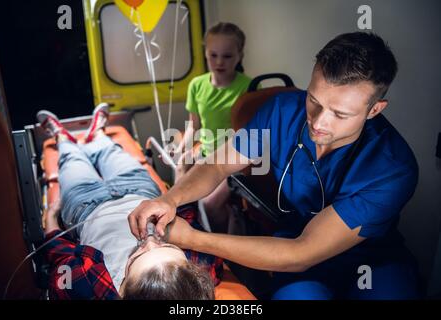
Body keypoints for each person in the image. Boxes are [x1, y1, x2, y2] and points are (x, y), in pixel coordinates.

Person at [128, 32, 422, 299]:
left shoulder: (393, 167)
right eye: (314, 100)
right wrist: (169, 199)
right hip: (295, 241)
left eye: (340, 114)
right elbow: (217, 166)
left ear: (374, 109)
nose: (318, 123)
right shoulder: (282, 110)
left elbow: (302, 253)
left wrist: (193, 239)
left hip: (372, 259)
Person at [37, 105, 222, 300]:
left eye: (139, 255)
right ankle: (98, 133)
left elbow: (60, 256)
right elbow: (188, 219)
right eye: (167, 246)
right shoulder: (199, 267)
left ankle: (61, 138)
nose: (148, 239)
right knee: (111, 152)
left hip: (86, 207)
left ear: (122, 290)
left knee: (71, 159)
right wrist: (177, 186)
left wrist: (50, 218)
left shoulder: (85, 287)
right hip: (140, 191)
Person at [172, 22, 252, 232]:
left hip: (235, 160)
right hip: (206, 154)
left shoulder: (248, 88)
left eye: (227, 56)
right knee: (179, 174)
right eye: (213, 55)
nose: (219, 62)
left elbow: (249, 137)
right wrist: (184, 148)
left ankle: (221, 250)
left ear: (239, 55)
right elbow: (194, 126)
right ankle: (184, 224)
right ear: (205, 53)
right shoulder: (197, 85)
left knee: (209, 205)